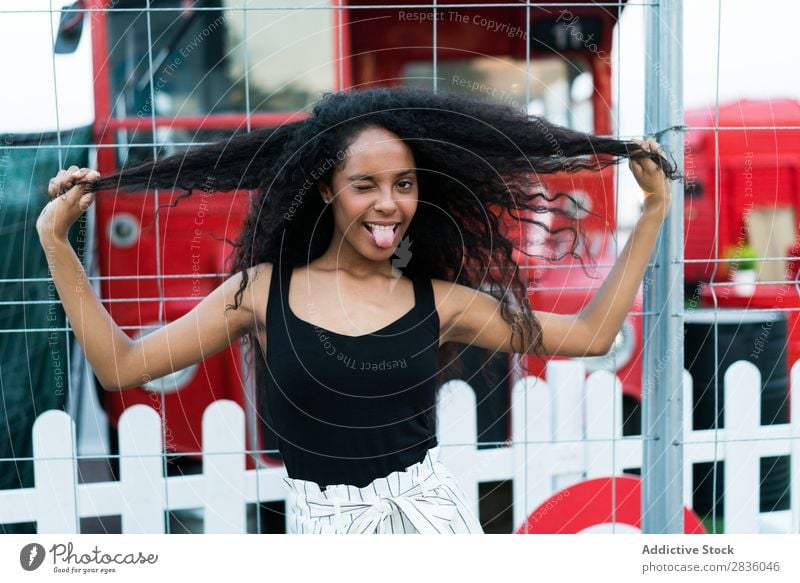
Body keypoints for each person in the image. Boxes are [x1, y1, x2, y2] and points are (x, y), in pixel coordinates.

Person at [36, 86, 677, 534]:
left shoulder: (440, 303)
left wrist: (650, 213)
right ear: (326, 190)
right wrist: (58, 245)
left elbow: (592, 335)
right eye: (364, 185)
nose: (388, 204)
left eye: (403, 184)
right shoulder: (259, 292)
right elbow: (122, 366)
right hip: (324, 530)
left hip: (435, 526)